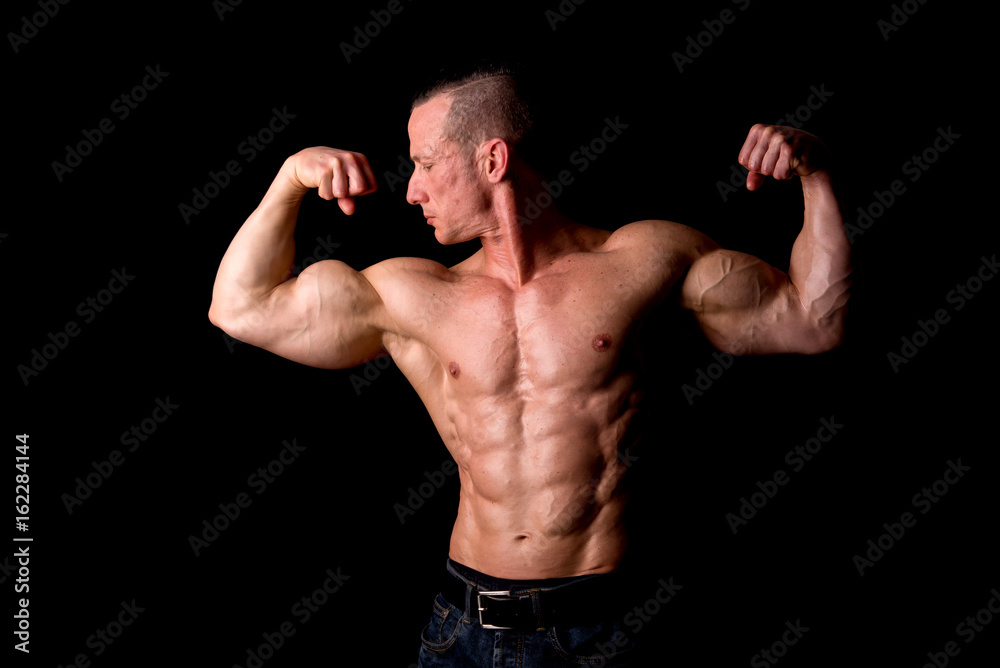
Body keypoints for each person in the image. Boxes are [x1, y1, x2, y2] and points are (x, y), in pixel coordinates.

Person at [208, 66, 852, 666]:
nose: (411, 190)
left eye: (427, 163)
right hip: (464, 629)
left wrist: (816, 173)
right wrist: (289, 179)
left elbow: (814, 321)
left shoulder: (645, 261)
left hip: (609, 623)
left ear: (493, 159)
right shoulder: (409, 294)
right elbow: (240, 308)